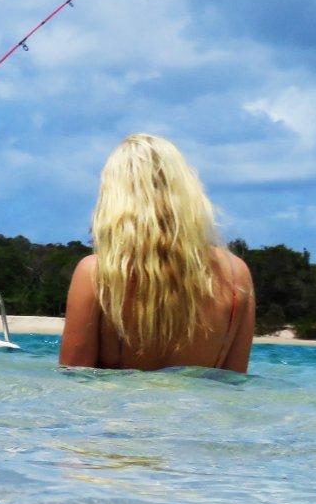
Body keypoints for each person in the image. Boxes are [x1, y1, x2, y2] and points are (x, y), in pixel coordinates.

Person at [60, 134, 253, 372]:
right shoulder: (236, 275)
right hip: (201, 409)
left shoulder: (98, 274)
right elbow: (234, 384)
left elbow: (74, 381)